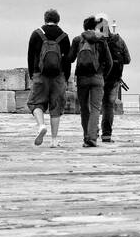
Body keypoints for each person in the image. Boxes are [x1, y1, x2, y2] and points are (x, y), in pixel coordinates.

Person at [26, 9, 71, 148]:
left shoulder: (36, 34)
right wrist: (66, 78)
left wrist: (32, 74)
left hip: (40, 75)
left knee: (35, 103)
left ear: (45, 19)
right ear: (58, 20)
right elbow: (67, 60)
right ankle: (54, 140)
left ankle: (41, 126)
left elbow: (30, 56)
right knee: (56, 107)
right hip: (58, 77)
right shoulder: (64, 36)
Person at [67, 16, 113, 148]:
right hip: (97, 77)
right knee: (95, 109)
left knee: (84, 109)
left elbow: (70, 59)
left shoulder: (77, 40)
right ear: (95, 27)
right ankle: (92, 139)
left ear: (84, 27)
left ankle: (86, 136)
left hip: (82, 79)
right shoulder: (101, 40)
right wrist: (103, 75)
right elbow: (109, 62)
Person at [95, 15, 131, 144]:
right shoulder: (118, 40)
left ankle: (93, 133)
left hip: (99, 78)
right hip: (114, 79)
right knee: (108, 107)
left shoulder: (97, 40)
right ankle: (106, 136)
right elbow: (127, 59)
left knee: (94, 106)